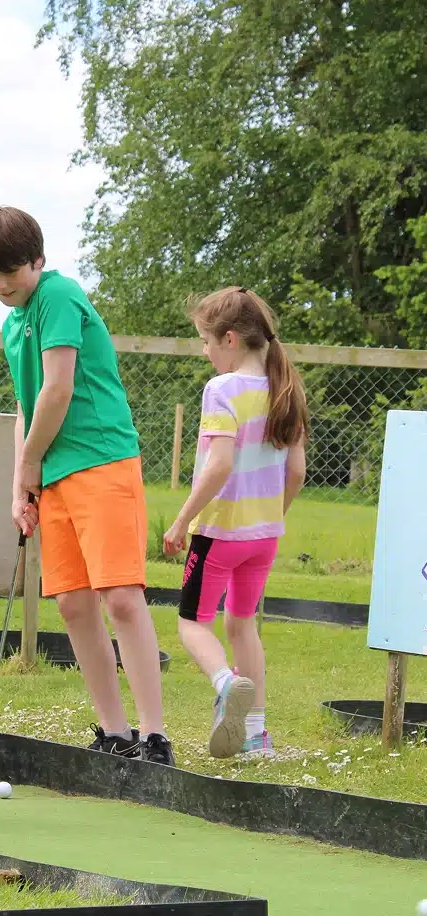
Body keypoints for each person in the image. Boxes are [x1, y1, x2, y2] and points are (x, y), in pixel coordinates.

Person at [0, 205, 175, 766]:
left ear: (38, 260)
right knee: (75, 606)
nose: (0, 285)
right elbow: (24, 404)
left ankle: (154, 735)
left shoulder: (58, 295)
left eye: (10, 271)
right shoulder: (12, 326)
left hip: (101, 461)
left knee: (121, 598)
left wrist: (30, 463)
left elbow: (57, 390)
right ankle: (115, 733)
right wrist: (21, 483)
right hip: (52, 475)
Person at [163, 288, 308, 760]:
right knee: (242, 625)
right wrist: (270, 517)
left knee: (192, 625)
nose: (204, 352)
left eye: (205, 341)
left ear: (229, 339)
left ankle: (226, 685)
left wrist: (182, 519)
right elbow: (297, 472)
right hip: (263, 538)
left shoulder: (222, 391)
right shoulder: (287, 388)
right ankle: (257, 735)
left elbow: (219, 465)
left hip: (218, 534)